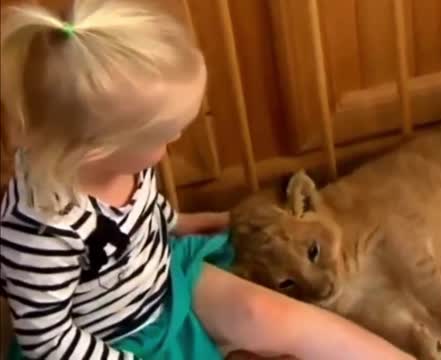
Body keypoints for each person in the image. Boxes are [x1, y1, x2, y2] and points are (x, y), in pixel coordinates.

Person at [0, 1, 415, 359]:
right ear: (96, 148)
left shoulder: (120, 161)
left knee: (279, 317)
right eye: (163, 136)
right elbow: (47, 339)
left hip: (167, 274)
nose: (175, 141)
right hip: (118, 339)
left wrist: (179, 221)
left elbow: (142, 210)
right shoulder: (40, 230)